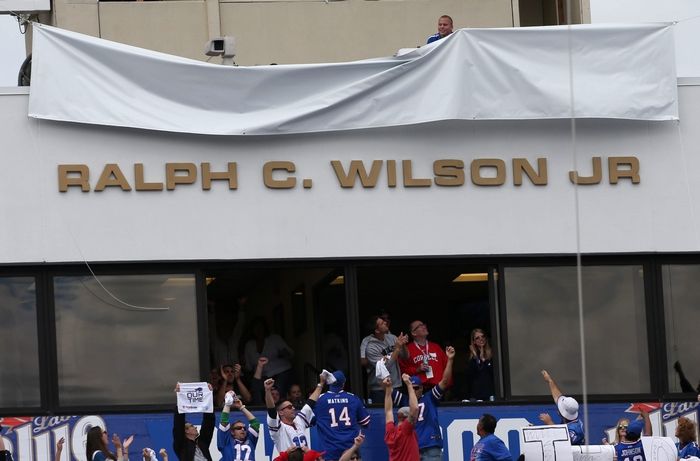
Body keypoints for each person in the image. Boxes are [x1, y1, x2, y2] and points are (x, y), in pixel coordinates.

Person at [394, 346, 455, 461]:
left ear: (422, 388)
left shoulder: (429, 398)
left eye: (416, 388)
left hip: (430, 446)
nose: (414, 390)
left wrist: (450, 360)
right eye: (411, 388)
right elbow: (387, 389)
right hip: (412, 448)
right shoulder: (404, 400)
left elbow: (445, 381)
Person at [314, 371, 371, 461]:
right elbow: (366, 422)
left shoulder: (319, 399)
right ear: (343, 383)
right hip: (350, 450)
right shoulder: (353, 398)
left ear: (329, 382)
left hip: (329, 451)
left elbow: (310, 421)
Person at [265, 374, 324, 452]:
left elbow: (310, 403)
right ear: (281, 412)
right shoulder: (278, 429)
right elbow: (271, 410)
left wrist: (321, 384)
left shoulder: (299, 420)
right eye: (289, 407)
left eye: (292, 406)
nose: (293, 408)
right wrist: (268, 390)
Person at [244, 317, 295, 397]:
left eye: (260, 327)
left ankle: (280, 407)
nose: (258, 330)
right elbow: (248, 367)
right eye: (256, 327)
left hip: (280, 372)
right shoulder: (249, 345)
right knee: (257, 389)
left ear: (265, 328)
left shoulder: (275, 338)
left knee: (277, 391)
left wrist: (284, 353)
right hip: (261, 376)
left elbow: (291, 354)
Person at [365, 315, 408, 403]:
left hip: (396, 385)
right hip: (380, 389)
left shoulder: (392, 338)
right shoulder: (371, 347)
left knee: (399, 413)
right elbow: (386, 366)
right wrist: (397, 348)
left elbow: (405, 356)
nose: (385, 323)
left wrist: (403, 344)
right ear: (377, 330)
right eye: (382, 323)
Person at [538, 370, 585, 445]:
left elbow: (563, 442)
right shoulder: (571, 417)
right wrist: (549, 380)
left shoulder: (575, 429)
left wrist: (549, 422)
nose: (558, 409)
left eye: (560, 409)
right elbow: (557, 396)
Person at [399, 321, 449, 389]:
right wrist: (417, 370)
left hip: (439, 388)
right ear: (413, 333)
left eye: (423, 324)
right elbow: (403, 371)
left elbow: (447, 366)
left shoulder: (436, 347)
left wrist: (448, 386)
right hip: (420, 389)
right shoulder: (407, 349)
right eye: (420, 326)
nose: (424, 326)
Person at [173, 383, 215, 461]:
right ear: (186, 431)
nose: (195, 427)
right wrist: (180, 400)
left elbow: (209, 424)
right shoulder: (181, 445)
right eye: (192, 426)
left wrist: (209, 397)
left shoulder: (202, 443)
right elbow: (178, 425)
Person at [384, 375, 419, 461]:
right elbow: (415, 408)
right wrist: (409, 385)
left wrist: (388, 389)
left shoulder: (390, 432)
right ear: (406, 418)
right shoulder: (405, 430)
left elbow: (388, 411)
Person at [218, 390, 260, 461]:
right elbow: (224, 421)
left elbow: (255, 423)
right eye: (238, 428)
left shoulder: (250, 440)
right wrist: (227, 404)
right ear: (232, 432)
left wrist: (241, 407)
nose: (242, 429)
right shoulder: (226, 441)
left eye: (244, 428)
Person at [465, 329, 495, 401]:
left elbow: (494, 373)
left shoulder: (493, 353)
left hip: (490, 395)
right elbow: (470, 376)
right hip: (477, 396)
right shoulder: (472, 358)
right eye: (477, 338)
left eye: (482, 336)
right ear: (474, 342)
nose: (481, 339)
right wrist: (476, 357)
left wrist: (484, 360)